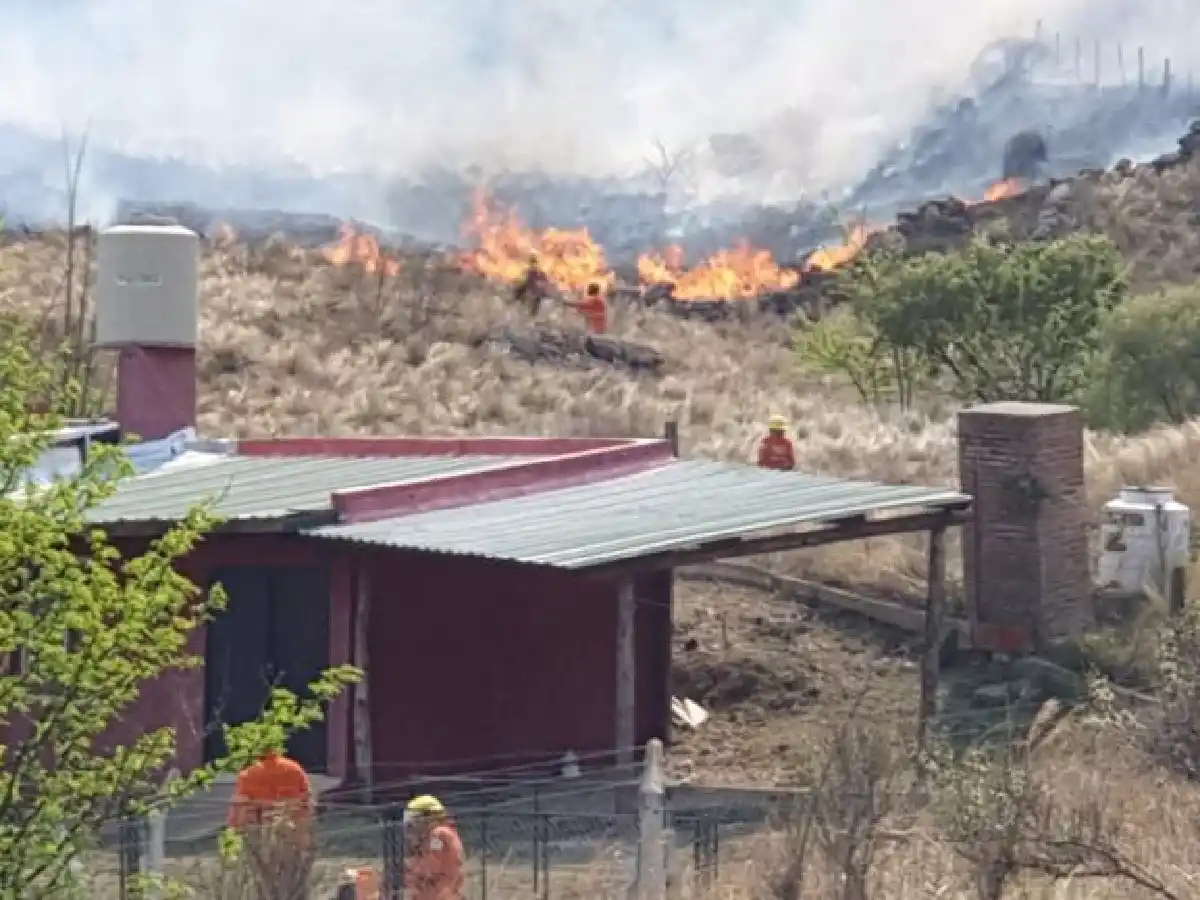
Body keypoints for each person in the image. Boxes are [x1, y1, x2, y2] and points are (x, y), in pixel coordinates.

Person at [226, 746, 315, 892]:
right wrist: (306, 836)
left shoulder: (249, 774)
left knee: (261, 881)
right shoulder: (294, 769)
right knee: (293, 879)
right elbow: (307, 803)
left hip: (260, 838)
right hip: (291, 835)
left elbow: (239, 810)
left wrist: (233, 832)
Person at [403, 795, 465, 900]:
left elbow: (433, 864)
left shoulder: (438, 835)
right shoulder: (443, 833)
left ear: (427, 818)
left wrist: (414, 871)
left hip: (439, 893)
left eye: (414, 819)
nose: (411, 824)